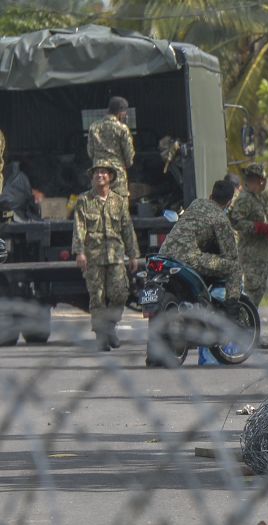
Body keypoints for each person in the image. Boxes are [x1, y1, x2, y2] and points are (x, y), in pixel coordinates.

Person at [71, 161, 139, 351]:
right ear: (92, 178)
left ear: (110, 177)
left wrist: (133, 255)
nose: (99, 176)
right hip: (93, 257)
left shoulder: (118, 201)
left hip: (115, 256)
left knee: (120, 294)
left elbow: (127, 229)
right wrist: (80, 253)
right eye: (96, 173)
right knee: (97, 297)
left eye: (103, 173)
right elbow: (79, 228)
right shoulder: (84, 200)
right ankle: (101, 336)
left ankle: (109, 326)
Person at [158, 178, 241, 304]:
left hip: (164, 255)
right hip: (188, 259)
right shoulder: (221, 218)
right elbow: (231, 254)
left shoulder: (196, 203)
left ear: (210, 196)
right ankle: (233, 308)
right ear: (229, 202)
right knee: (233, 266)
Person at [228, 163, 268, 306]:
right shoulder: (245, 199)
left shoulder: (259, 198)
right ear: (259, 180)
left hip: (262, 254)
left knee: (258, 292)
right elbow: (235, 221)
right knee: (250, 295)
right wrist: (259, 228)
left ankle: (249, 324)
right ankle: (244, 325)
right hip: (250, 256)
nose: (265, 183)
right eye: (263, 180)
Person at [87, 96, 135, 198]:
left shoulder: (94, 127)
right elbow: (129, 156)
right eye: (125, 112)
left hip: (99, 173)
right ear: (120, 112)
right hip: (117, 173)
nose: (125, 115)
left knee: (99, 204)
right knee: (119, 204)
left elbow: (90, 152)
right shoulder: (122, 128)